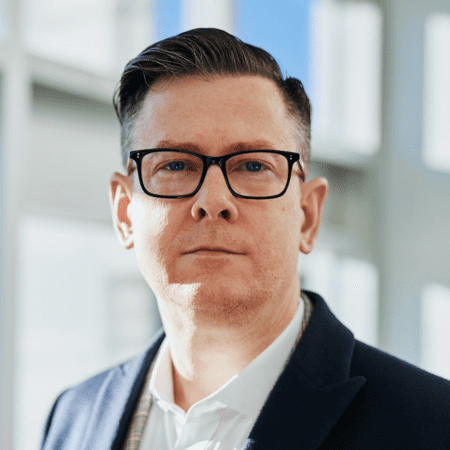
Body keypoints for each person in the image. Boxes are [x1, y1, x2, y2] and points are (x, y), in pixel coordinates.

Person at [40, 28, 450, 450]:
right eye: (176, 165)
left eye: (253, 166)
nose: (213, 200)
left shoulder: (433, 425)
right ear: (125, 212)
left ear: (308, 215)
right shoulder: (73, 417)